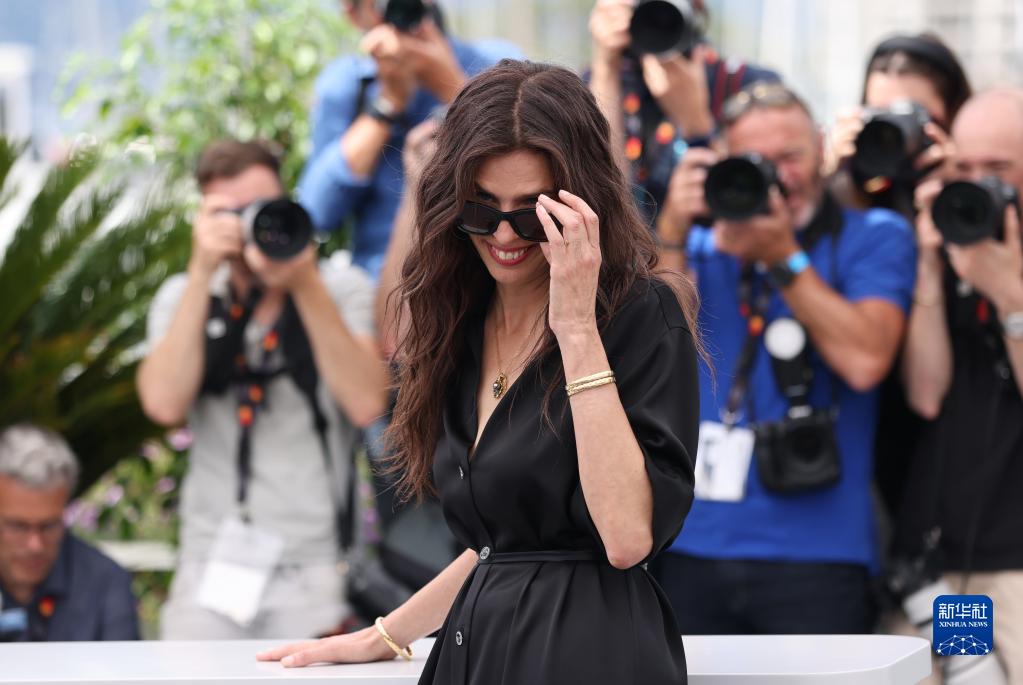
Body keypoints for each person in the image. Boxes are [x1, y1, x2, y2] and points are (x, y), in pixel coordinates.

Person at [257, 60, 700, 684]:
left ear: (582, 206)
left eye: (531, 213)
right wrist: (388, 633)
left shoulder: (640, 315)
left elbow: (626, 537)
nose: (504, 235)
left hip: (587, 654)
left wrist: (576, 329)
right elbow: (503, 548)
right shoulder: (461, 317)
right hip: (478, 649)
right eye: (481, 209)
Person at [654, 81, 917, 634]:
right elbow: (650, 352)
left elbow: (866, 360)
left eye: (791, 156)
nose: (780, 177)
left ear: (821, 147)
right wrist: (672, 229)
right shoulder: (695, 249)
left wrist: (783, 257)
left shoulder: (874, 236)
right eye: (757, 162)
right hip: (689, 543)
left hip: (818, 555)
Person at [137, 139, 388, 639]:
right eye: (228, 214)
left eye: (260, 209)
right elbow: (163, 404)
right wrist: (201, 272)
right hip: (210, 560)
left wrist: (303, 282)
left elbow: (367, 403)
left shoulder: (340, 289)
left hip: (314, 563)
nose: (248, 224)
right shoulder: (185, 297)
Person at [894, 88, 1023, 684]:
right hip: (948, 572)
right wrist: (929, 264)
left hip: (1013, 574)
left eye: (998, 169)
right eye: (963, 168)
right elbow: (926, 393)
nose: (977, 185)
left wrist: (1010, 297)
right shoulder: (954, 249)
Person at [298, 0, 522, 280]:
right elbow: (315, 212)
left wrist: (454, 88)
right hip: (383, 277)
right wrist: (386, 104)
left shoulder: (495, 63)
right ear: (354, 14)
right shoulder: (346, 85)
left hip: (482, 270)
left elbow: (521, 166)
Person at [587, 0, 779, 218]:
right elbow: (600, 199)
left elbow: (755, 201)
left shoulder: (747, 86)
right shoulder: (599, 84)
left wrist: (697, 125)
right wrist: (606, 70)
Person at [0, 424, 139, 642]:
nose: (35, 545)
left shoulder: (105, 583)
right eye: (17, 526)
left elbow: (124, 662)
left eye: (48, 526)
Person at [826, 33, 971, 216]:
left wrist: (961, 188)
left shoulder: (974, 176)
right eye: (880, 113)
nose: (891, 131)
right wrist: (826, 179)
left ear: (954, 115)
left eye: (911, 114)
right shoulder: (848, 182)